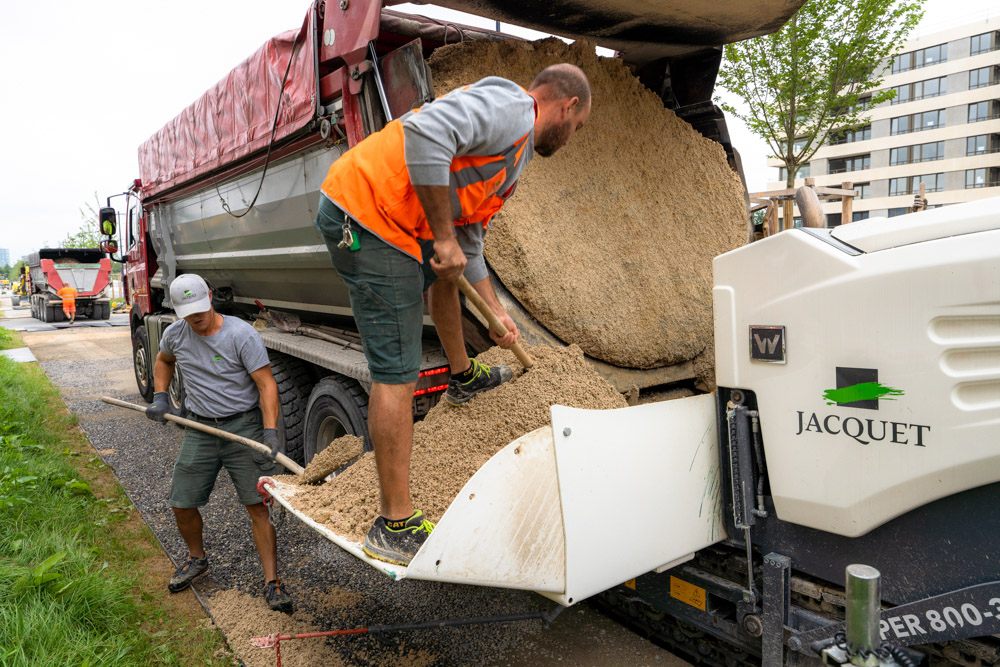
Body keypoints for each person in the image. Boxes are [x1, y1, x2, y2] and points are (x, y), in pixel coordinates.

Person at [314, 64, 592, 565]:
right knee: (398, 369)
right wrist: (440, 236)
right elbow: (425, 133)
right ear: (567, 106)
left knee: (448, 273)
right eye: (579, 128)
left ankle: (464, 377)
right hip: (368, 215)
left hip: (396, 222)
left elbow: (468, 241)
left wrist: (494, 312)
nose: (573, 139)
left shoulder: (516, 155)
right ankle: (394, 524)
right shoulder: (512, 108)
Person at [146, 273, 292, 613]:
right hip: (199, 426)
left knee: (257, 506)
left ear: (210, 297)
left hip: (242, 426)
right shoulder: (175, 334)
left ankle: (272, 582)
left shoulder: (241, 334)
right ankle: (197, 559)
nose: (196, 318)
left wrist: (269, 431)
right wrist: (160, 396)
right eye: (188, 312)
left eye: (200, 308)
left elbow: (266, 385)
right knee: (182, 502)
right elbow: (163, 360)